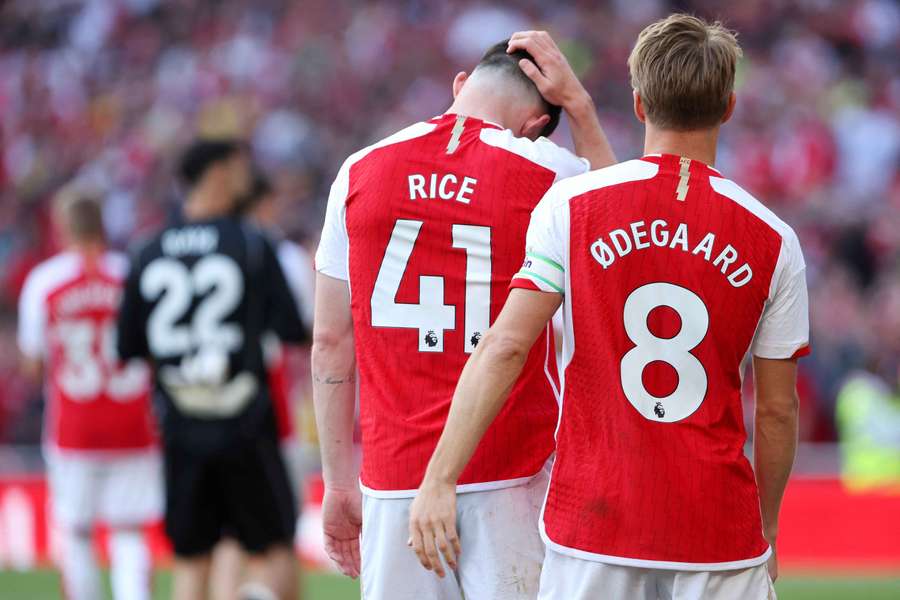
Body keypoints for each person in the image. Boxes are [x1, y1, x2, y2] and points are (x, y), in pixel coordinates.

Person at [410, 14, 810, 600]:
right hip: (719, 533)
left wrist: (439, 477)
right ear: (728, 106)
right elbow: (777, 412)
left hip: (592, 523)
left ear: (641, 105)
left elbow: (506, 345)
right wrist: (767, 525)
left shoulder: (571, 207)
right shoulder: (774, 238)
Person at [313, 32, 615, 599]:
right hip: (509, 474)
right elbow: (620, 242)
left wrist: (337, 484)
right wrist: (581, 108)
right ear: (535, 122)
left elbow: (331, 341)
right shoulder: (553, 172)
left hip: (393, 479)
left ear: (460, 84)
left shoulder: (358, 171)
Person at [116, 140, 306, 600]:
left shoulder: (147, 250)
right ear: (218, 175)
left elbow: (129, 345)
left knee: (191, 559)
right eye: (239, 170)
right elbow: (291, 329)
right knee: (276, 549)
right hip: (246, 422)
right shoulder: (253, 244)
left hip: (180, 426)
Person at [18, 185, 161, 600]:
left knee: (77, 533)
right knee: (129, 530)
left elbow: (33, 362)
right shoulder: (132, 274)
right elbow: (153, 351)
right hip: (133, 422)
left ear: (63, 227)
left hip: (73, 426)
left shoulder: (45, 281)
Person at [209, 170, 313, 600]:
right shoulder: (280, 255)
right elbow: (304, 328)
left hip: (215, 402)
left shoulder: (213, 251)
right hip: (271, 405)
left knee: (227, 530)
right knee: (280, 526)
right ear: (263, 205)